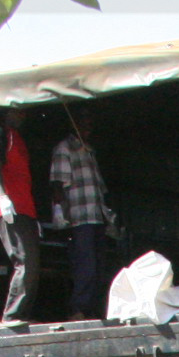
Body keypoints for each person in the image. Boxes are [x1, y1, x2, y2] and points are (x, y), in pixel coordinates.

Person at [49, 106, 113, 322]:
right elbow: (57, 183)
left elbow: (98, 188)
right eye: (83, 121)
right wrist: (58, 210)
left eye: (89, 122)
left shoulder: (89, 150)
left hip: (96, 216)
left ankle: (91, 310)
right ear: (73, 123)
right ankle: (77, 309)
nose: (88, 126)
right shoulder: (64, 148)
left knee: (98, 265)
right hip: (79, 218)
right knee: (85, 265)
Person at [0, 110, 41, 328]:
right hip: (9, 207)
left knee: (32, 262)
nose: (22, 115)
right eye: (17, 110)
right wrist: (3, 197)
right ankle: (10, 315)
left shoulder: (17, 138)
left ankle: (20, 315)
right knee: (24, 260)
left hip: (25, 208)